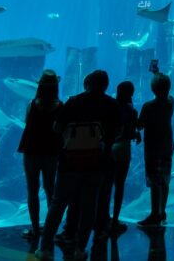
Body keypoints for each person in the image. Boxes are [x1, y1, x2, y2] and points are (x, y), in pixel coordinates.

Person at [37, 70, 122, 260]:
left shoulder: (74, 102)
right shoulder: (111, 104)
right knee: (89, 205)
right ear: (106, 85)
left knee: (58, 204)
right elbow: (118, 131)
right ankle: (80, 248)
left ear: (87, 83)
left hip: (70, 161)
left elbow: (57, 128)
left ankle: (45, 248)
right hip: (97, 162)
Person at [17, 70, 62, 240]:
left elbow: (28, 122)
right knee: (51, 190)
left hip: (32, 152)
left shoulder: (32, 104)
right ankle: (51, 229)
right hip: (51, 153)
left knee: (32, 190)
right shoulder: (60, 106)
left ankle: (35, 228)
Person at [137, 72, 174, 228]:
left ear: (152, 88)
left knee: (154, 182)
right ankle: (162, 210)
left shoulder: (148, 106)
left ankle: (154, 214)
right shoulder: (171, 102)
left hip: (153, 149)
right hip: (167, 147)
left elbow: (140, 125)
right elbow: (166, 91)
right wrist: (158, 74)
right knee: (164, 180)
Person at [108, 81, 139, 235]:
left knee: (106, 185)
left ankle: (103, 217)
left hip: (109, 148)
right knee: (119, 185)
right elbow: (132, 132)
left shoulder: (110, 107)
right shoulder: (131, 111)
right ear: (131, 94)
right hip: (124, 149)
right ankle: (115, 221)